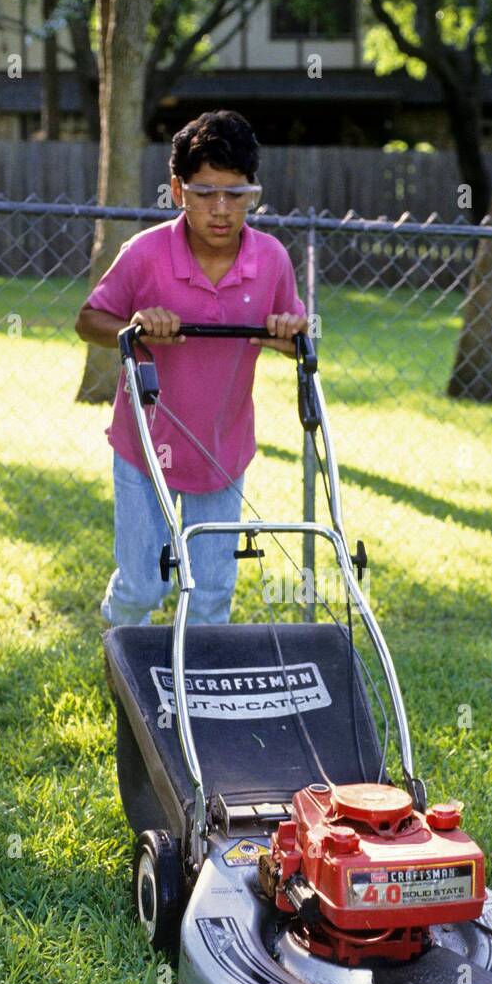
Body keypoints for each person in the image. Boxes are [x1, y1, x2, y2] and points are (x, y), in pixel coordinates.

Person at [75, 109, 307, 626]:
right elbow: (88, 320)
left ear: (254, 193)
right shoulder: (146, 253)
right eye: (205, 193)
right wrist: (134, 323)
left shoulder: (271, 260)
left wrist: (288, 336)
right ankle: (122, 654)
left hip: (223, 450)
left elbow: (297, 342)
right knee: (143, 586)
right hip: (143, 448)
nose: (221, 209)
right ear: (178, 190)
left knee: (210, 596)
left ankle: (197, 696)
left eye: (236, 194)